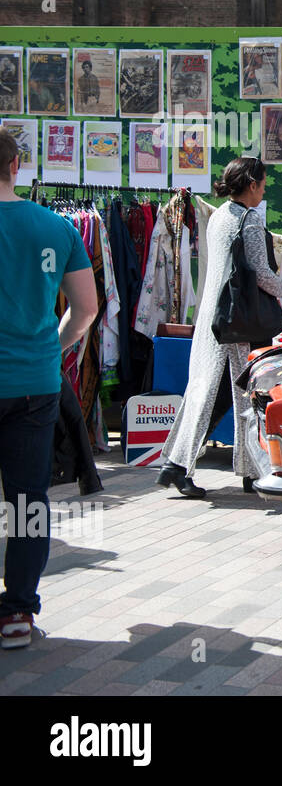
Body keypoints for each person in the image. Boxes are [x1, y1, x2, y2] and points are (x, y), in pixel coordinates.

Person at [0, 127, 98, 649]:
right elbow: (86, 310)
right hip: (34, 383)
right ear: (17, 167)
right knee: (27, 502)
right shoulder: (55, 228)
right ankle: (16, 613)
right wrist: (51, 349)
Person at [156, 156, 282, 498]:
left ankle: (187, 466)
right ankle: (239, 469)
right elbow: (261, 274)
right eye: (262, 184)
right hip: (240, 323)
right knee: (247, 396)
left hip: (214, 317)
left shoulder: (220, 216)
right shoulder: (248, 221)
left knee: (207, 393)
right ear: (252, 186)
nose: (264, 191)